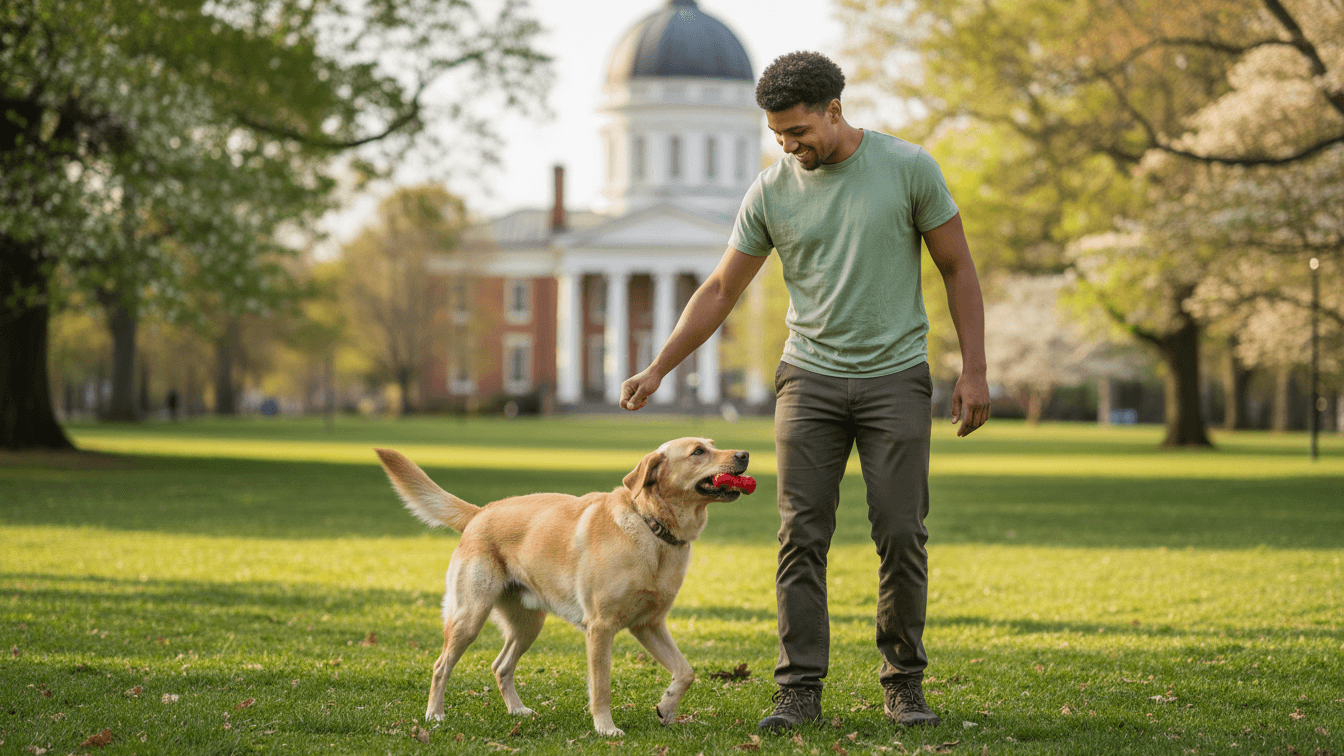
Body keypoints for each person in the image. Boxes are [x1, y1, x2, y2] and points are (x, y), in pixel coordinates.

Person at [619, 51, 990, 731]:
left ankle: (904, 681)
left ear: (834, 110)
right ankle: (798, 690)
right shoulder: (770, 189)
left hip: (895, 378)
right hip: (810, 380)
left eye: (798, 131)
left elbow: (957, 266)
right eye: (778, 134)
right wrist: (659, 367)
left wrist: (974, 369)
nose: (790, 145)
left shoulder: (908, 168)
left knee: (901, 532)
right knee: (800, 536)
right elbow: (722, 288)